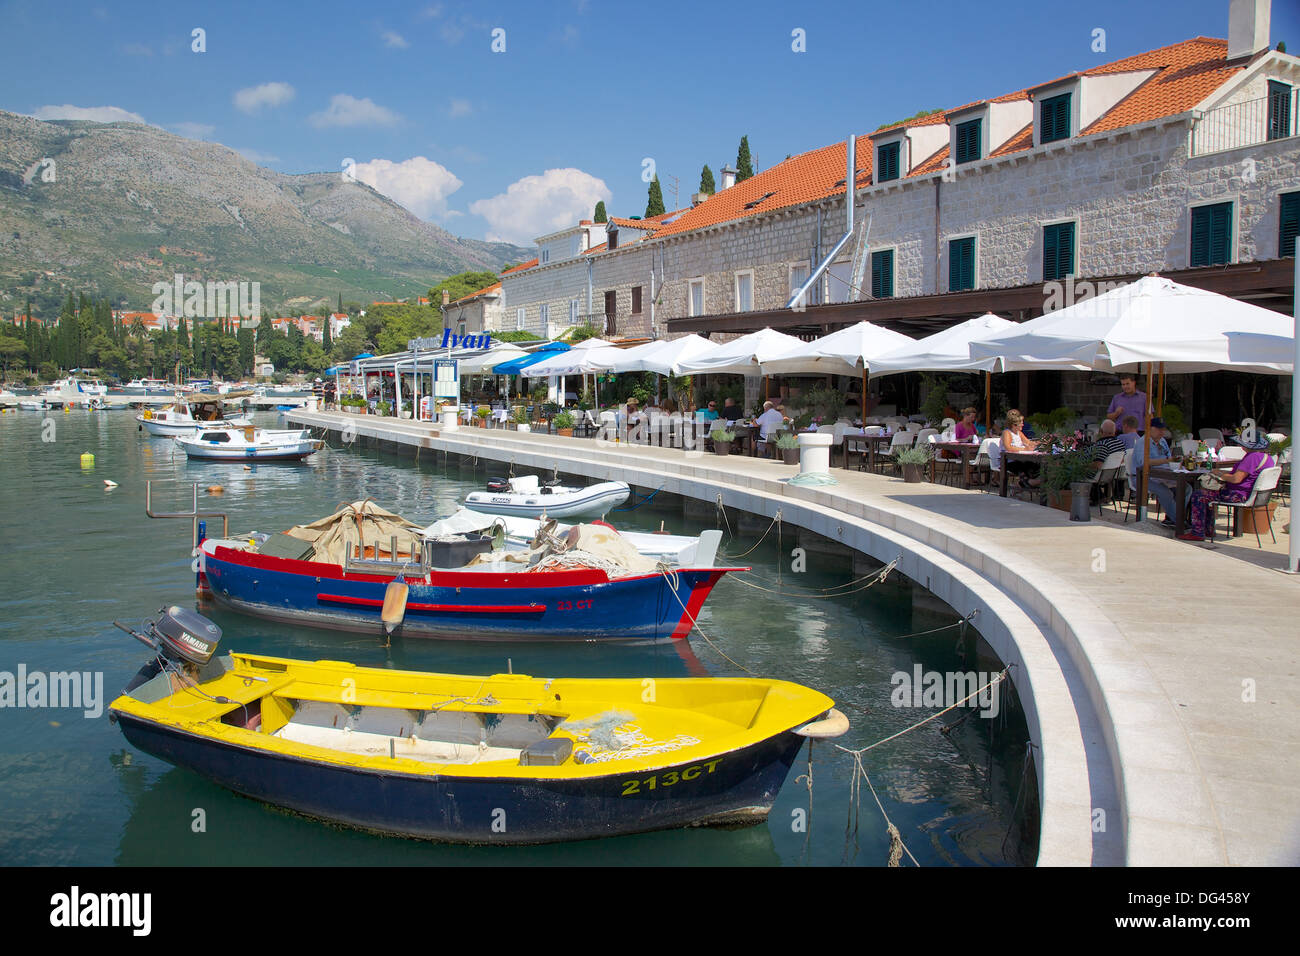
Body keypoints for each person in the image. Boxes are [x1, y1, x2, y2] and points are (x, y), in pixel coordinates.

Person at [1179, 433, 1275, 542]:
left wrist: (1218, 474)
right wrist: (1221, 472)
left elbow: (1236, 479)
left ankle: (1197, 532)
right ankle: (1208, 529)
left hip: (1238, 495)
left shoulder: (1252, 457)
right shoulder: (1267, 457)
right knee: (1207, 494)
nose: (1240, 446)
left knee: (1199, 495)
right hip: (1250, 495)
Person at [1132, 417, 1181, 526]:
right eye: (1159, 429)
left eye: (1163, 429)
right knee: (1165, 492)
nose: (1162, 432)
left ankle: (1171, 516)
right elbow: (1143, 463)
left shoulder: (1162, 441)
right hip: (1143, 477)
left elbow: (1169, 457)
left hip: (1163, 475)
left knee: (1186, 489)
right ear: (1150, 429)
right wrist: (1166, 460)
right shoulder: (1143, 442)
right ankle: (1179, 521)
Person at [1001, 409, 1044, 489]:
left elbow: (1029, 443)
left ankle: (1022, 485)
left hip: (1020, 459)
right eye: (1021, 423)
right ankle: (1029, 483)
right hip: (1009, 461)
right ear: (1014, 425)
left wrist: (1041, 442)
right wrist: (1025, 449)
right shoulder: (1007, 433)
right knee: (1025, 467)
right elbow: (1008, 447)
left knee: (1036, 465)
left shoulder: (1019, 433)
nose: (1023, 425)